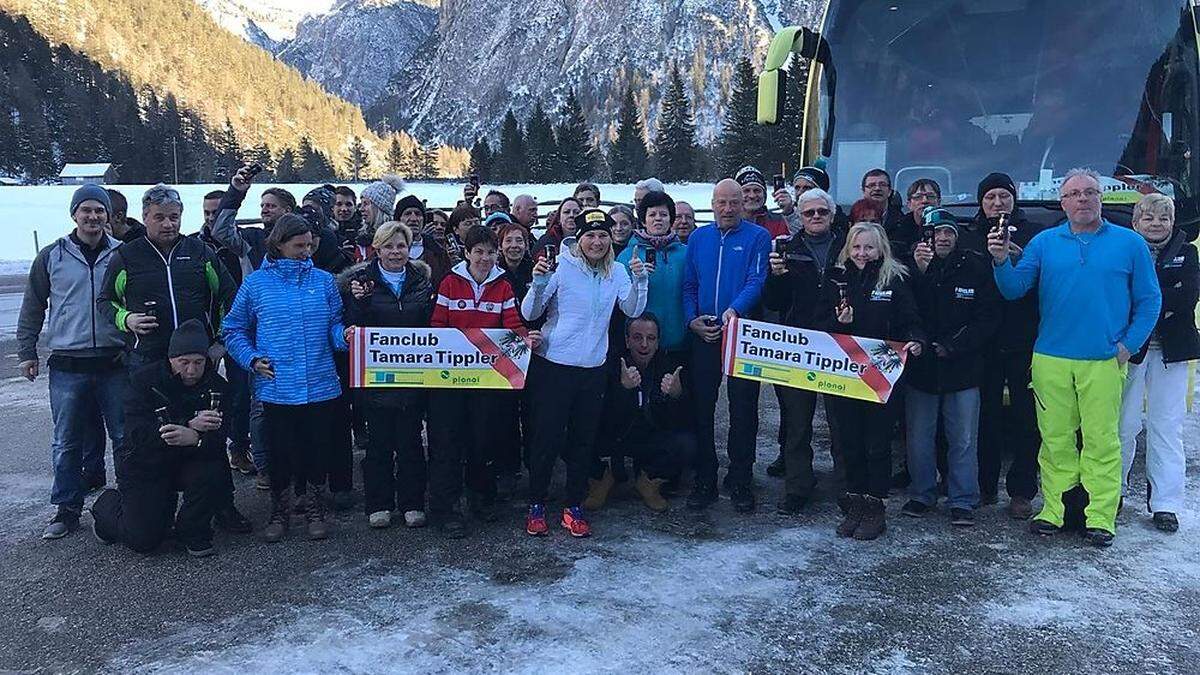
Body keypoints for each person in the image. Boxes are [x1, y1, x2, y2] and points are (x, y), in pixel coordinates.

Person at [990, 168, 1161, 547]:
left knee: (1102, 440)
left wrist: (1128, 345)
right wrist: (1001, 262)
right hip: (1051, 358)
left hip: (1102, 360)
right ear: (1063, 203)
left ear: (1101, 198)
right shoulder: (1044, 243)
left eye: (1090, 192)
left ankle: (1100, 516)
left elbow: (1150, 301)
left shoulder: (1130, 243)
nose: (1082, 199)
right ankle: (1056, 509)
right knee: (1054, 439)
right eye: (1074, 194)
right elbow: (1015, 289)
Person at [222, 214, 350, 543]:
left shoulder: (323, 281)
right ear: (279, 245)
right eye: (298, 246)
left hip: (320, 381)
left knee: (316, 448)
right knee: (280, 451)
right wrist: (251, 359)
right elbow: (233, 329)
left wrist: (344, 337)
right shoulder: (256, 284)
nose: (306, 251)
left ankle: (312, 504)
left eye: (310, 245)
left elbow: (334, 324)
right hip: (278, 384)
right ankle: (279, 508)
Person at [521, 208, 648, 537]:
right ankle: (536, 503)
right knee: (546, 438)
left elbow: (632, 309)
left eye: (603, 236)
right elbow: (530, 312)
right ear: (578, 240)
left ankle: (572, 506)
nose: (596, 241)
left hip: (592, 369)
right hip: (554, 368)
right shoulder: (562, 268)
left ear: (610, 240)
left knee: (583, 441)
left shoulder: (616, 271)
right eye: (590, 236)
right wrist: (537, 284)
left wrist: (641, 282)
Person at [18, 185, 127, 540]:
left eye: (100, 210)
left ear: (108, 215)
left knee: (125, 436)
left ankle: (131, 498)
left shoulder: (123, 254)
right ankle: (66, 509)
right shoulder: (52, 256)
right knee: (66, 441)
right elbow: (33, 305)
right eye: (87, 210)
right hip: (68, 364)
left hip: (114, 361)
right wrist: (27, 351)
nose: (93, 217)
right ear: (74, 214)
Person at [819, 223, 925, 540]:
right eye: (857, 247)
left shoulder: (894, 278)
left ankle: (875, 506)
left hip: (882, 373)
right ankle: (855, 503)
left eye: (869, 248)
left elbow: (911, 319)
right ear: (848, 249)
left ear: (881, 249)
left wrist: (915, 339)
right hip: (845, 373)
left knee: (877, 444)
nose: (863, 254)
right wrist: (839, 321)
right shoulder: (836, 278)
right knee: (849, 441)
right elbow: (818, 323)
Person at [428, 225, 537, 537]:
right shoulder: (450, 282)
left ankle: (482, 498)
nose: (485, 258)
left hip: (488, 376)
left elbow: (512, 323)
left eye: (490, 252)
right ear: (467, 253)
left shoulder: (502, 285)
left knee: (483, 439)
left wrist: (523, 339)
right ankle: (445, 508)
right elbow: (438, 323)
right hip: (450, 377)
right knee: (448, 442)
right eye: (479, 252)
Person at [90, 320, 231, 557]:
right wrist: (186, 424)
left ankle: (192, 530)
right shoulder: (143, 382)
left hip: (189, 459)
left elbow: (220, 439)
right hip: (146, 463)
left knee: (214, 469)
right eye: (183, 362)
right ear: (170, 359)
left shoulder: (216, 387)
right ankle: (107, 508)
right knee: (144, 540)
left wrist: (195, 438)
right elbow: (136, 435)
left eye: (198, 362)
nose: (191, 370)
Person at [903, 208, 999, 527]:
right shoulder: (910, 266)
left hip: (963, 366)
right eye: (935, 233)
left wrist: (955, 345)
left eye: (948, 232)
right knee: (919, 436)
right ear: (925, 236)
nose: (942, 238)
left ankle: (963, 499)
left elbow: (987, 317)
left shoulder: (974, 265)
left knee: (964, 438)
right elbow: (906, 310)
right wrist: (919, 271)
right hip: (922, 366)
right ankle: (922, 493)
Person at [682, 179, 771, 512]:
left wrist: (735, 310)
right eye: (722, 202)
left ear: (742, 205)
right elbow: (689, 284)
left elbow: (757, 280)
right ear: (713, 203)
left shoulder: (757, 237)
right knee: (702, 408)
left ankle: (741, 477)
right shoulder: (698, 237)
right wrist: (691, 319)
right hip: (705, 333)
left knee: (744, 408)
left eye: (735, 202)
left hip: (740, 332)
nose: (729, 208)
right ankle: (705, 476)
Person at [341, 222, 434, 530]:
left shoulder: (421, 281)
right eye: (389, 246)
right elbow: (352, 323)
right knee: (379, 444)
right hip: (376, 377)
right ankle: (379, 503)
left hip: (413, 374)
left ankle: (412, 502)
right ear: (377, 249)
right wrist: (359, 308)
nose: (396, 252)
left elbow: (429, 326)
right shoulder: (361, 283)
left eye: (401, 246)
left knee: (410, 443)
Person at [1118, 193, 1198, 533]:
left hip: (1172, 350)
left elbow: (1187, 296)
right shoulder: (1124, 249)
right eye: (1149, 218)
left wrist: (1151, 301)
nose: (1156, 224)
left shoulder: (1187, 251)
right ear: (1136, 222)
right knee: (1123, 424)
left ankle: (1165, 503)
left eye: (1163, 218)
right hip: (1132, 350)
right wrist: (1160, 299)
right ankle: (1113, 492)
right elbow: (1121, 295)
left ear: (1172, 221)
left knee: (1167, 426)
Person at [764, 188, 846, 513]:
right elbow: (773, 302)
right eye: (809, 212)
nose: (815, 217)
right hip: (798, 347)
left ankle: (846, 486)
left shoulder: (847, 247)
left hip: (840, 345)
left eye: (821, 212)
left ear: (831, 214)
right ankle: (798, 485)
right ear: (799, 215)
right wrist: (777, 278)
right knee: (797, 423)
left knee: (841, 423)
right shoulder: (788, 249)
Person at [968, 173, 1043, 517]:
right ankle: (984, 486)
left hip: (1024, 338)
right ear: (981, 203)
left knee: (1028, 418)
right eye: (989, 198)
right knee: (985, 416)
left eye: (1003, 196)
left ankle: (1022, 490)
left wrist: (1019, 256)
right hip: (983, 341)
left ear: (1015, 199)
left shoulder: (1035, 235)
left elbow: (1044, 280)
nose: (997, 203)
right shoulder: (969, 234)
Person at [595, 314, 695, 512]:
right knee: (568, 435)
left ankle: (648, 481)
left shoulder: (668, 366)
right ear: (627, 340)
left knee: (688, 444)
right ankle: (601, 478)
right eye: (637, 337)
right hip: (614, 435)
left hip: (649, 436)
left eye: (650, 338)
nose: (644, 344)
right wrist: (622, 390)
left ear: (658, 342)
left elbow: (677, 422)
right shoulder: (610, 363)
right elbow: (598, 415)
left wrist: (676, 395)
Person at [198, 189, 255, 477]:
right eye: (207, 212)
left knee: (241, 390)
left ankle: (239, 445)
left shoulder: (239, 243)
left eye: (216, 212)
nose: (211, 218)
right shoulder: (193, 245)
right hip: (205, 330)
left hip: (238, 329)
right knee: (203, 390)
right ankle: (204, 446)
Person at [617, 190, 687, 354]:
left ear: (671, 219)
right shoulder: (628, 255)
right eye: (652, 214)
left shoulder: (685, 253)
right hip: (641, 344)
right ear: (643, 219)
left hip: (678, 339)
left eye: (663, 214)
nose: (658, 218)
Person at [394, 194, 452, 292]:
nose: (413, 219)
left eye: (418, 214)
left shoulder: (438, 252)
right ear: (399, 219)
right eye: (408, 213)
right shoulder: (387, 250)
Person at [779, 166, 849, 234]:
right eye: (797, 188)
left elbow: (811, 234)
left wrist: (790, 214)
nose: (800, 192)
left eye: (807, 188)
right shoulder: (789, 211)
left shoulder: (835, 217)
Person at [888, 179, 943, 263]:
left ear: (939, 202)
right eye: (918, 197)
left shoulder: (951, 228)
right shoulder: (895, 232)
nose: (925, 201)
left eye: (930, 196)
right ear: (909, 204)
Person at [355, 175, 407, 262]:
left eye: (366, 204)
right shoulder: (362, 238)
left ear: (379, 208)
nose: (361, 209)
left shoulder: (397, 237)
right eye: (361, 204)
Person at [735, 165, 790, 239]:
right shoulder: (729, 221)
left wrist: (790, 211)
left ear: (764, 194)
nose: (752, 196)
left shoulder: (778, 221)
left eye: (757, 190)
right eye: (746, 191)